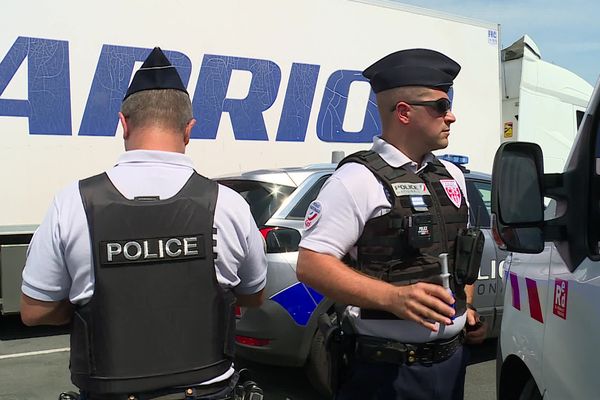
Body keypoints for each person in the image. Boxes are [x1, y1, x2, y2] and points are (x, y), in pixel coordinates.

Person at [20, 47, 267, 400]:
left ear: (123, 123)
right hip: (208, 388)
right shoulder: (229, 204)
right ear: (189, 129)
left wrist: (92, 311)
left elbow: (34, 310)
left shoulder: (72, 201)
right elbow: (254, 295)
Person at [296, 48, 487, 400]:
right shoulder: (357, 179)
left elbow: (459, 254)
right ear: (403, 112)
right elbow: (311, 265)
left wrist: (467, 307)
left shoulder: (453, 176)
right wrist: (393, 297)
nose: (452, 117)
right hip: (386, 375)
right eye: (441, 106)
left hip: (452, 365)